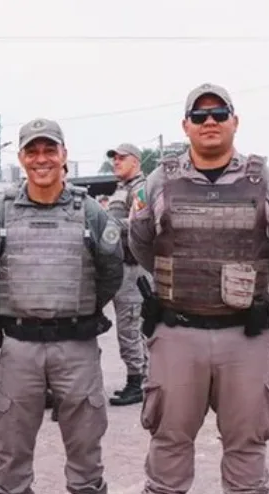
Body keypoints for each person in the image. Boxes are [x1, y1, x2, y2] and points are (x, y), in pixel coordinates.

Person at [128, 83, 269, 494]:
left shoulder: (266, 181)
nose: (210, 122)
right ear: (185, 125)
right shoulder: (158, 182)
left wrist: (256, 284)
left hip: (244, 335)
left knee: (247, 445)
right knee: (168, 442)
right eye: (200, 115)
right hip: (177, 334)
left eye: (219, 114)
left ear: (234, 122)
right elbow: (140, 243)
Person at [0, 117, 124, 494]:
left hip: (77, 346)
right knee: (12, 451)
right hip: (20, 348)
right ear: (22, 157)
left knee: (86, 448)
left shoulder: (89, 211)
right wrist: (7, 318)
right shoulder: (0, 214)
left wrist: (83, 311)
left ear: (64, 156)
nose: (41, 159)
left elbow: (110, 272)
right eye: (33, 151)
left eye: (49, 150)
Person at [104, 142, 149, 406]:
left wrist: (105, 223)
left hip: (134, 268)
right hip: (120, 267)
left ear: (136, 161)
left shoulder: (141, 189)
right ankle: (138, 378)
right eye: (114, 158)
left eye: (122, 158)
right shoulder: (122, 189)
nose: (116, 162)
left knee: (131, 326)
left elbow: (140, 224)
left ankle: (138, 382)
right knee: (128, 327)